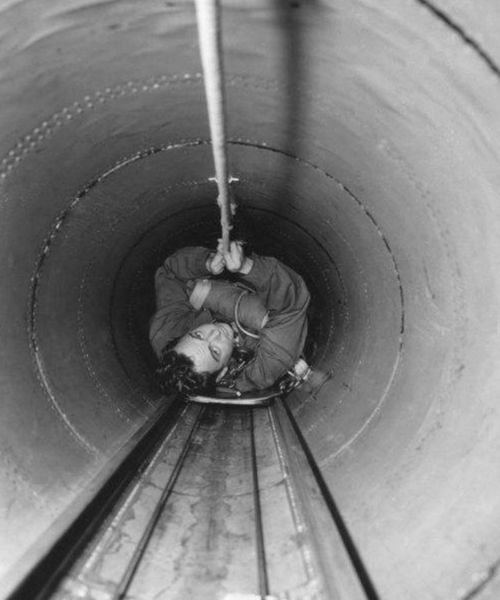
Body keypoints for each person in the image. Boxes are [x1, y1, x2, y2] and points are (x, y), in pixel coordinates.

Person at [150, 240, 310, 397]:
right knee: (266, 319)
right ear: (222, 373)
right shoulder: (262, 371)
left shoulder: (167, 332)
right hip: (269, 317)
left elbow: (170, 273)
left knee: (196, 291)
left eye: (198, 335)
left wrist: (207, 263)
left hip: (220, 294)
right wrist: (248, 267)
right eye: (214, 351)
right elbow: (292, 306)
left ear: (180, 338)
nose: (215, 333)